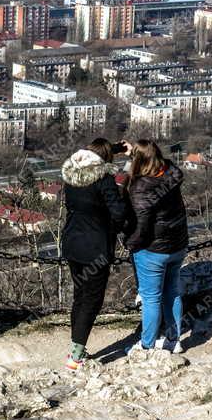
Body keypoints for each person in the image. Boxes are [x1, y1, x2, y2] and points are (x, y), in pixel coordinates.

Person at [60, 138, 129, 370]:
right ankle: (76, 356)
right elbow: (118, 213)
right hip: (96, 247)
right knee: (92, 299)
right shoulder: (104, 180)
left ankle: (75, 347)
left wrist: (118, 148)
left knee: (80, 296)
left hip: (72, 243)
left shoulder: (71, 175)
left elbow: (96, 150)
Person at [124, 139, 188, 354]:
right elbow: (163, 163)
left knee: (151, 298)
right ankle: (173, 340)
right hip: (178, 244)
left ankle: (146, 345)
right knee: (172, 292)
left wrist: (130, 244)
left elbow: (142, 227)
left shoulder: (141, 187)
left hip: (153, 250)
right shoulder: (171, 173)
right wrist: (138, 151)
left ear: (138, 160)